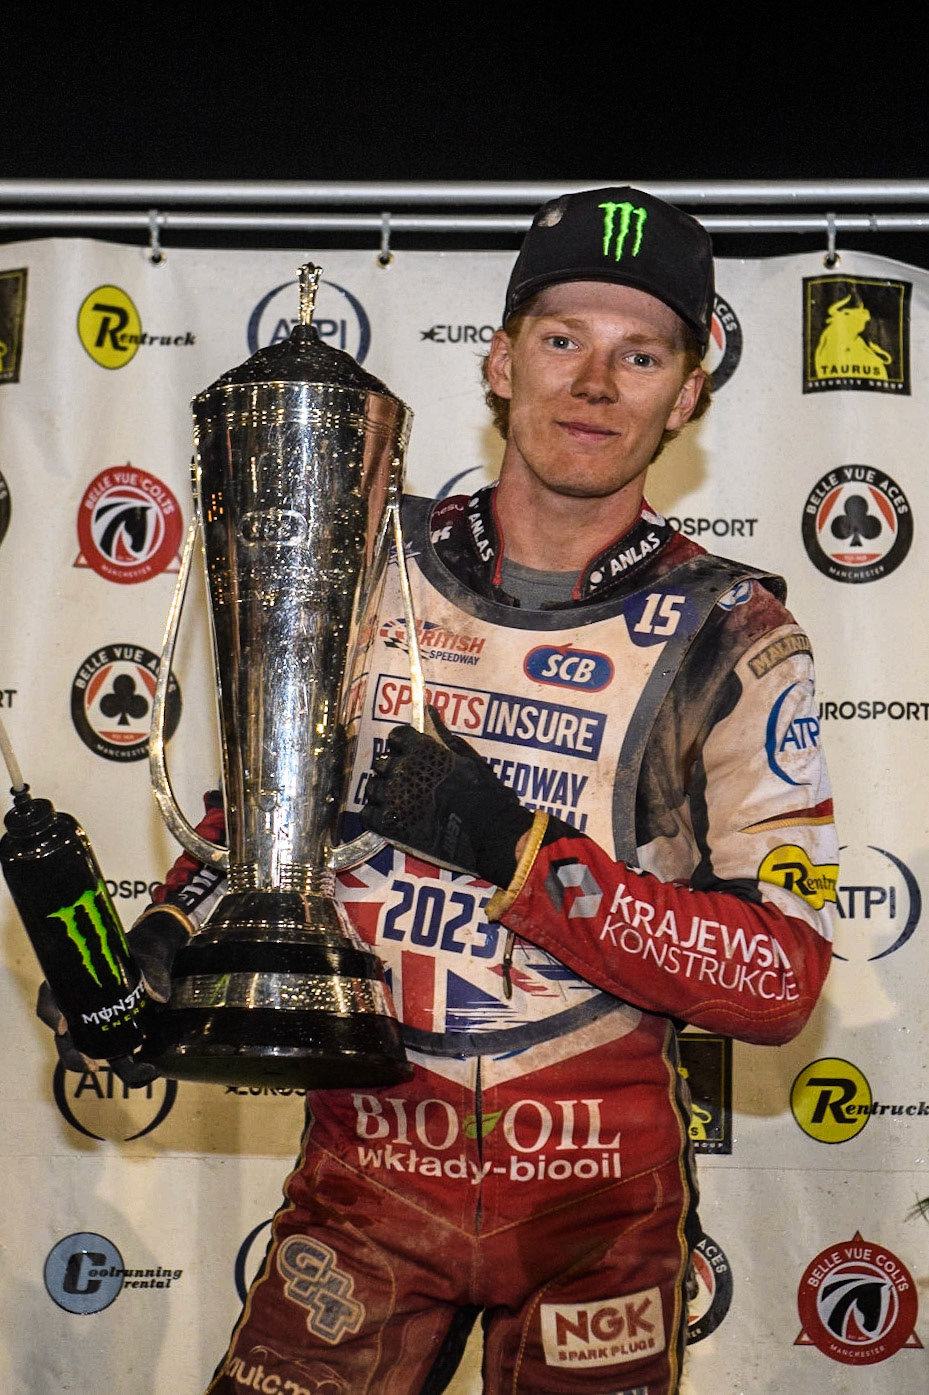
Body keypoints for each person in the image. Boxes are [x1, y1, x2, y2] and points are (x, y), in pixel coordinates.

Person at [43, 186, 837, 1395]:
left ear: (684, 398)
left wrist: (523, 856)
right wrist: (151, 950)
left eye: (640, 355)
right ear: (499, 361)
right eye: (562, 338)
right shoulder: (366, 555)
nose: (593, 382)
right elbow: (257, 826)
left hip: (597, 1197)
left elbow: (780, 980)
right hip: (368, 1170)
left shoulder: (730, 627)